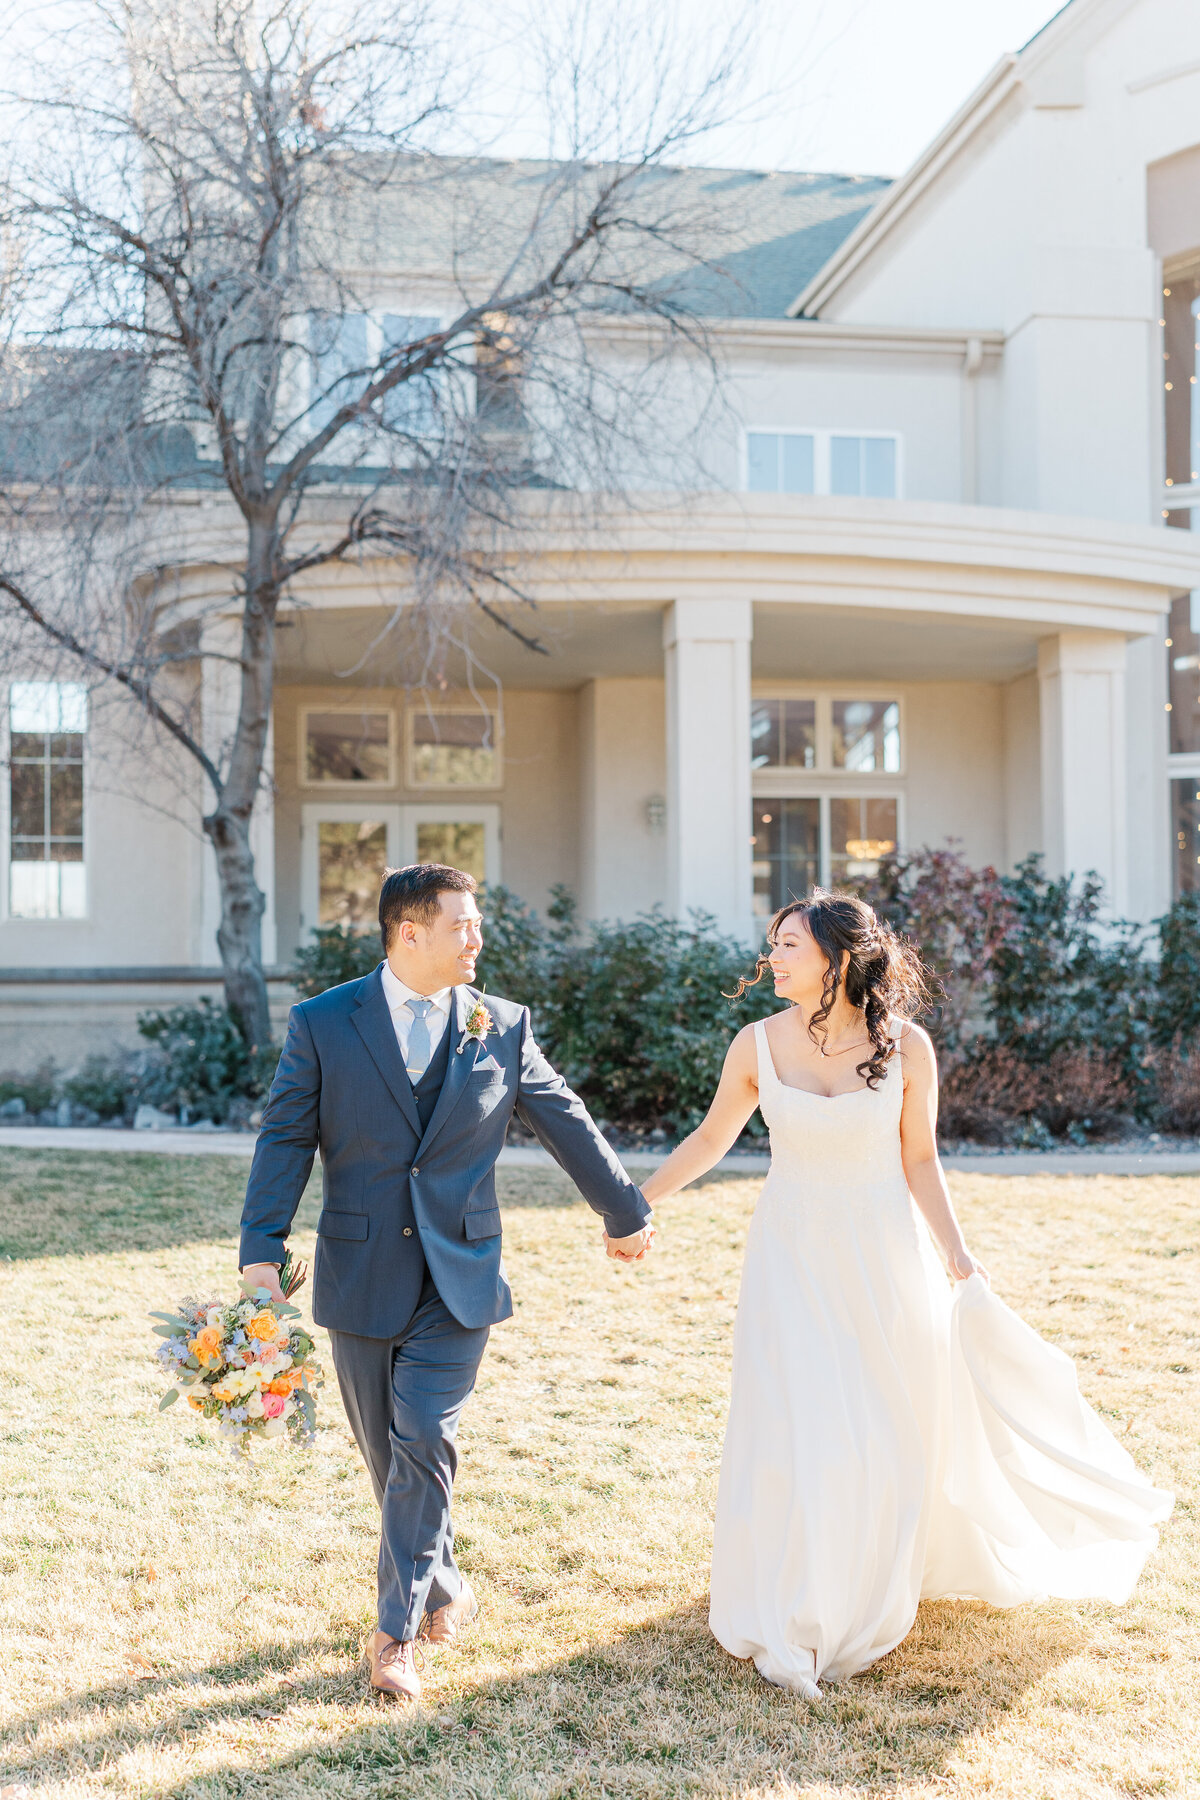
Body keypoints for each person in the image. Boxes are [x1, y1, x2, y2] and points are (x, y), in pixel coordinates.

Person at [636, 890, 1173, 1699]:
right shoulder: (756, 1043)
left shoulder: (907, 1047)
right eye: (772, 945)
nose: (771, 959)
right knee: (803, 1421)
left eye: (787, 945)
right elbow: (713, 1138)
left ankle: (866, 1579)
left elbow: (919, 1160)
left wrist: (958, 1254)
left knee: (883, 1428)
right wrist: (639, 1201)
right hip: (791, 1259)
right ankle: (804, 1599)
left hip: (884, 1258)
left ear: (837, 958)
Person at [239, 862, 653, 1702]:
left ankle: (393, 1636)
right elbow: (285, 1136)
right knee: (391, 1457)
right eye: (462, 924)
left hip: (460, 1275)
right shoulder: (325, 1022)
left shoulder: (500, 1024)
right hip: (360, 1272)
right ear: (409, 932)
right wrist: (260, 1246)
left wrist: (624, 1209)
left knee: (423, 1434)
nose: (479, 938)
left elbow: (561, 1112)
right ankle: (446, 1582)